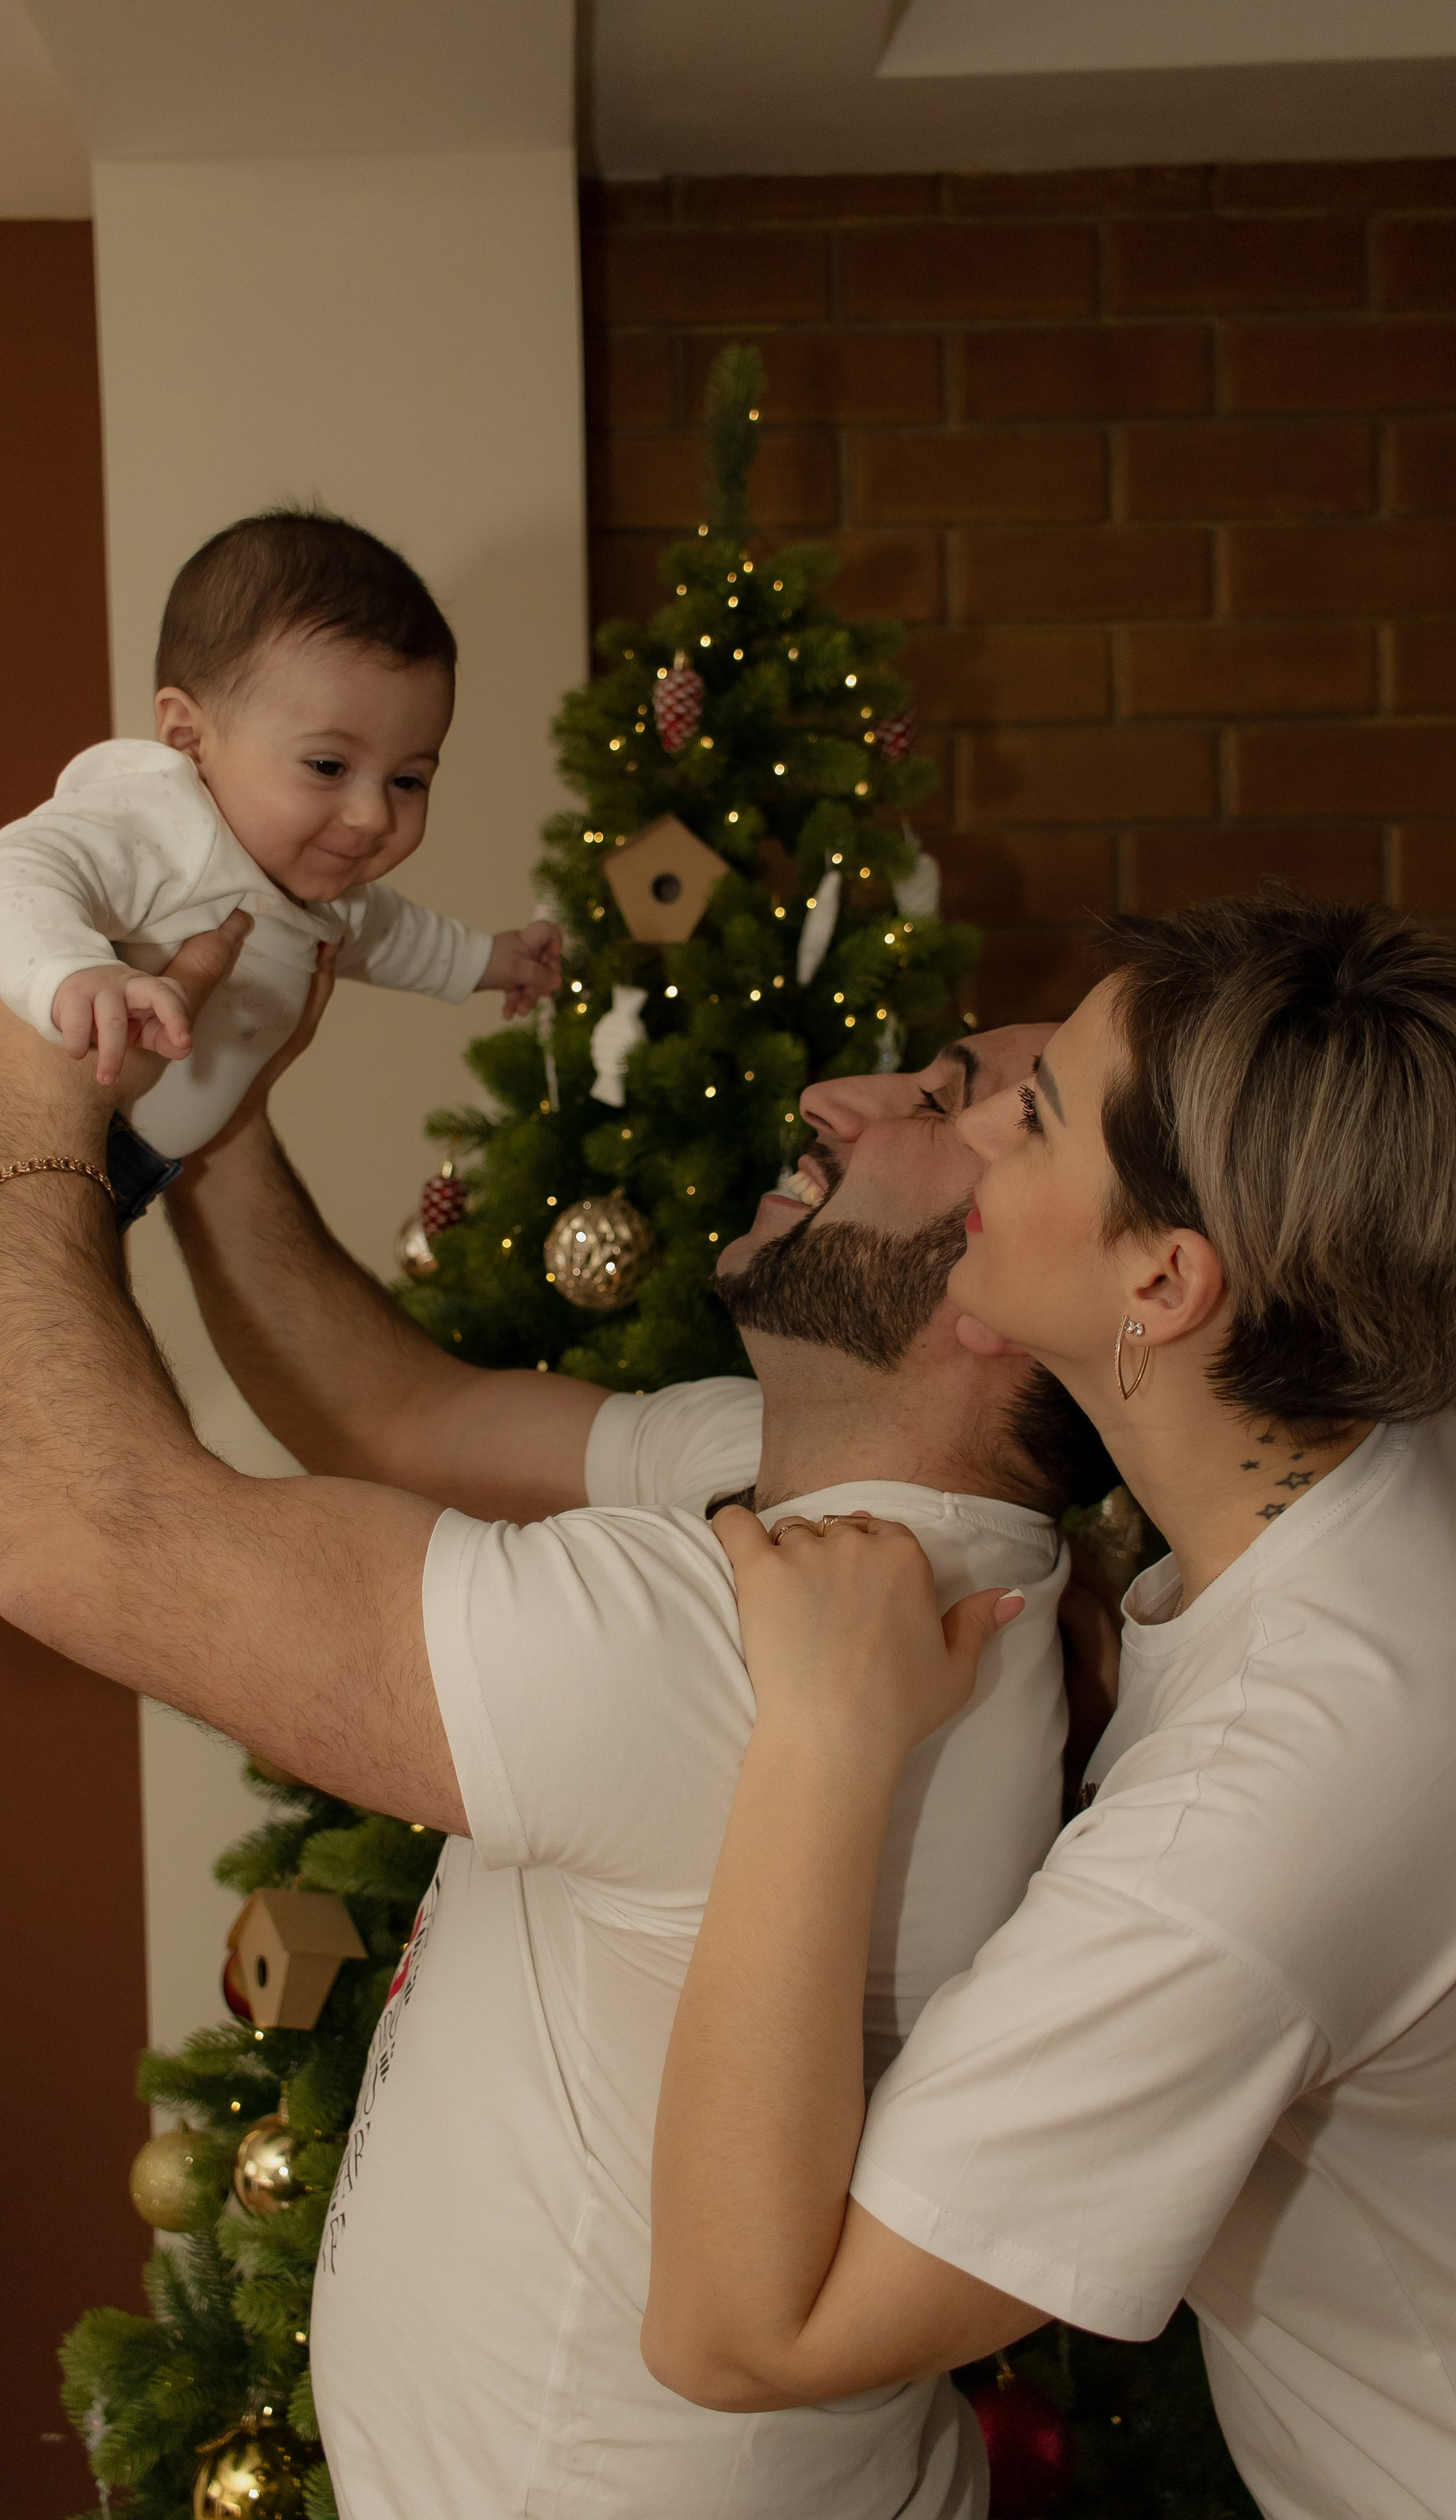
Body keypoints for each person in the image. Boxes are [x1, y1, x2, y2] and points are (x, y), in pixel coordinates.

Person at [0, 899, 1111, 2520]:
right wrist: (222, 1122)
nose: (840, 1095)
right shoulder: (791, 1492)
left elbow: (76, 1543)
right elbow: (391, 1412)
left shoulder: (742, 1637)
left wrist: (32, 1127)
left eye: (954, 1101)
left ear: (1021, 1284)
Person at [644, 894, 1456, 2520]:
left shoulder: (1260, 1808)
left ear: (1160, 1281)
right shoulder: (1382, 1441)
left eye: (1035, 1117)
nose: (974, 1135)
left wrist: (821, 1738)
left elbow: (749, 2331)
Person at [0, 507, 559, 1696]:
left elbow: (395, 935)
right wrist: (68, 976)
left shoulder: (313, 880)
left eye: (409, 779)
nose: (369, 818)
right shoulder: (158, 816)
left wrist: (491, 960)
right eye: (328, 767)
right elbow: (24, 869)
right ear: (189, 736)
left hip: (93, 1169)